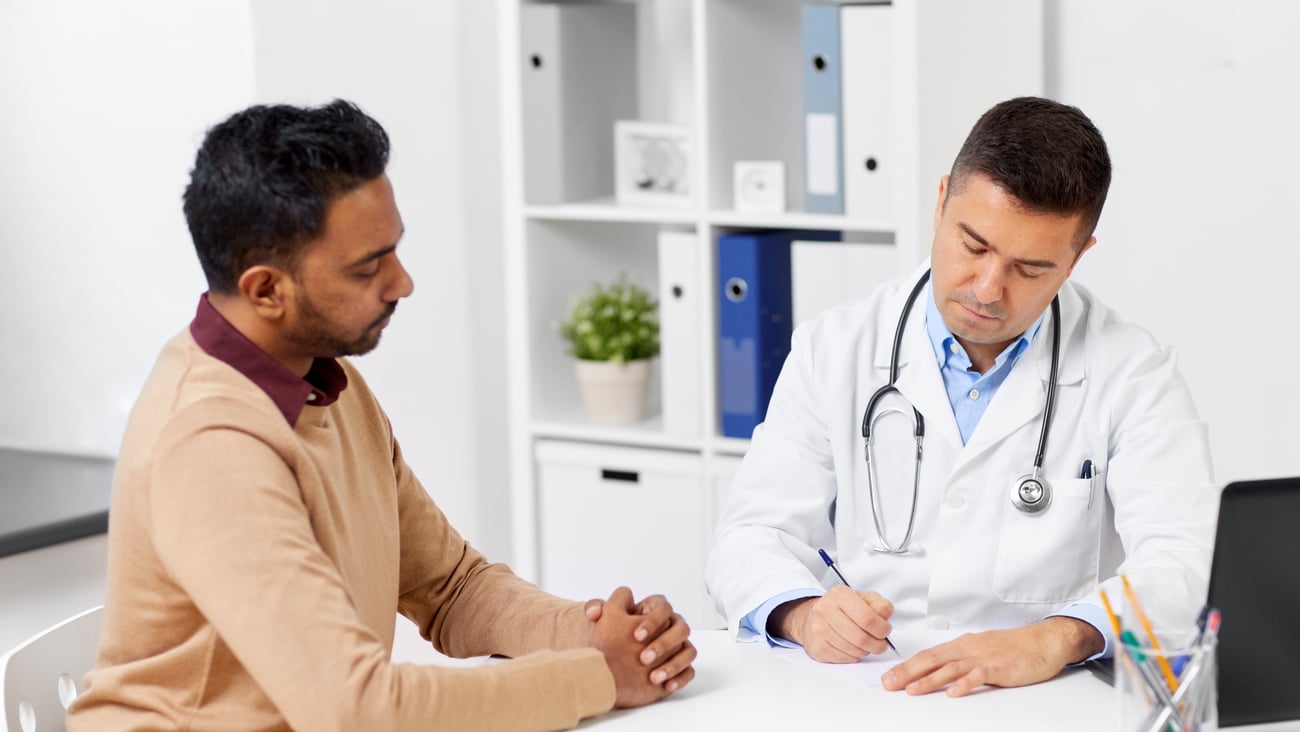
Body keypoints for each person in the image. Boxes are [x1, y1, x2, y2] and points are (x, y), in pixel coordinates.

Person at [68, 99, 695, 731]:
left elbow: (452, 587)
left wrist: (604, 637)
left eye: (393, 250)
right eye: (369, 266)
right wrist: (597, 676)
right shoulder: (210, 443)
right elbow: (358, 710)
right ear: (266, 290)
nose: (403, 282)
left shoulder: (326, 384)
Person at [705, 96, 1217, 697]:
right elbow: (748, 536)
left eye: (1030, 269)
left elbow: (1185, 559)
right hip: (869, 687)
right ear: (942, 200)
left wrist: (1056, 637)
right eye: (973, 245)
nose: (987, 288)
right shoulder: (834, 348)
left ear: (1078, 257)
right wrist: (803, 614)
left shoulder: (1133, 371)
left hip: (1041, 695)